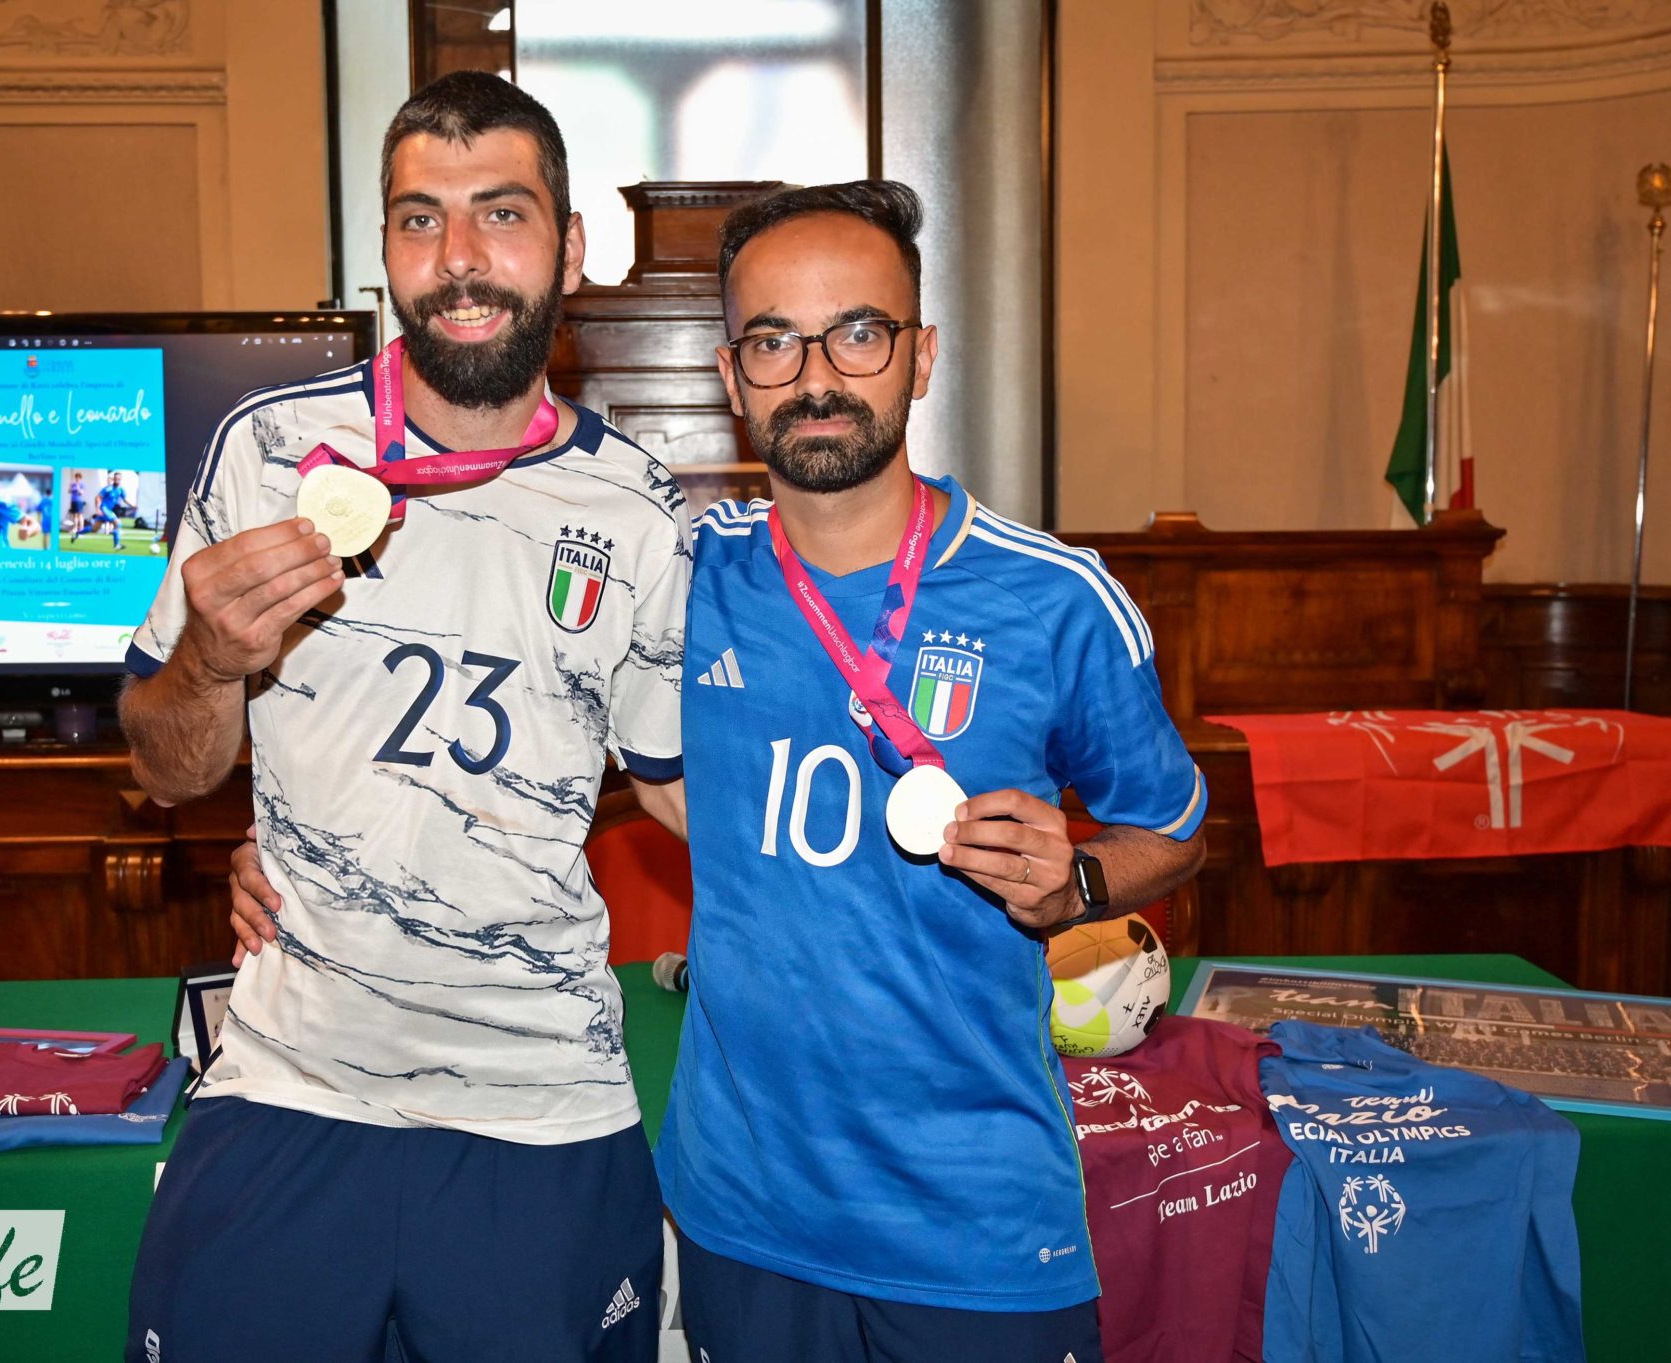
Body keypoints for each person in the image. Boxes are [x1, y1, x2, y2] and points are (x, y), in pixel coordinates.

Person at [222, 178, 1208, 1363]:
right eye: (773, 342)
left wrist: (1076, 885)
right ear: (731, 377)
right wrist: (295, 830)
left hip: (977, 1225)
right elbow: (500, 720)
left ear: (921, 354)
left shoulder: (1055, 599)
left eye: (857, 332)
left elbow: (1172, 829)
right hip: (743, 1217)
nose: (815, 377)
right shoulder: (682, 577)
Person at [120, 71, 688, 1363]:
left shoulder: (640, 510)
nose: (460, 257)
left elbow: (679, 788)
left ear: (569, 248)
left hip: (540, 1097)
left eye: (501, 213)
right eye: (420, 219)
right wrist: (206, 660)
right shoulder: (270, 451)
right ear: (382, 245)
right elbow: (165, 766)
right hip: (291, 1079)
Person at [89, 470, 132, 549]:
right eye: (116, 479)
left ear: (121, 479)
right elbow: (98, 497)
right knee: (117, 523)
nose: (117, 480)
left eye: (119, 479)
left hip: (108, 510)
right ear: (113, 479)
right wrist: (97, 509)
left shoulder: (121, 490)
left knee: (94, 529)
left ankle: (77, 533)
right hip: (104, 509)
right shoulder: (108, 488)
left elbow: (125, 499)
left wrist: (132, 505)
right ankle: (116, 545)